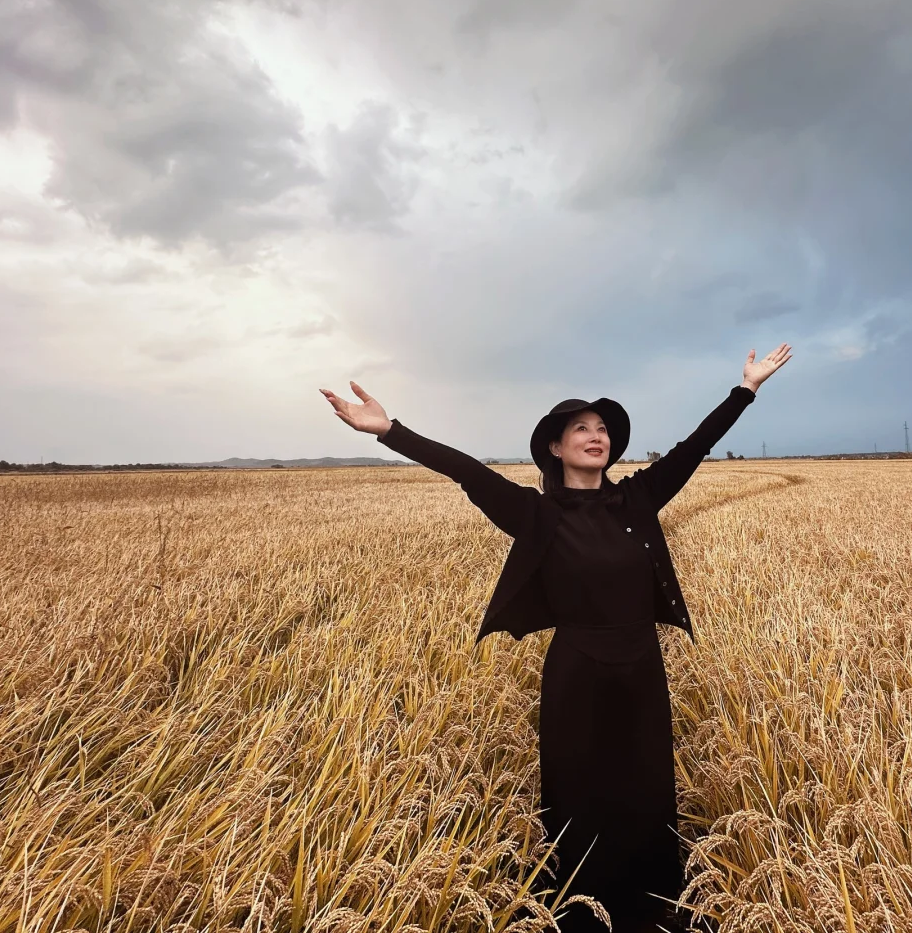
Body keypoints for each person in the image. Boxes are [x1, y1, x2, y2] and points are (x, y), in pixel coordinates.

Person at [319, 344, 792, 932]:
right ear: (555, 445)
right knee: (578, 791)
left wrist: (744, 390)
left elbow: (695, 447)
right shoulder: (534, 513)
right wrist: (389, 430)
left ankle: (656, 907)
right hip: (576, 670)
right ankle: (579, 908)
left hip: (642, 665)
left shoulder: (639, 498)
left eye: (602, 429)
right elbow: (465, 469)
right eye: (580, 428)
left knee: (647, 785)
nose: (595, 436)